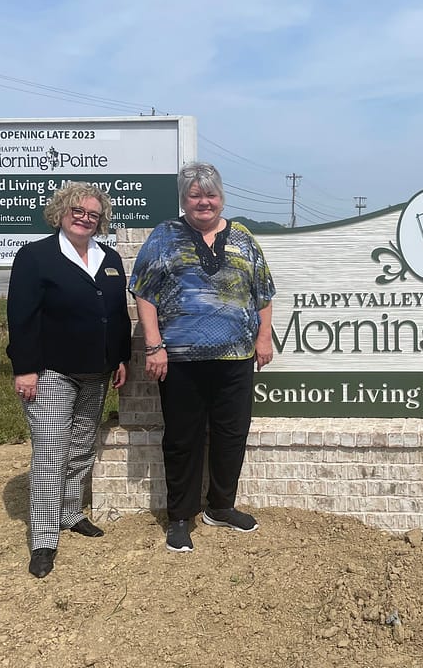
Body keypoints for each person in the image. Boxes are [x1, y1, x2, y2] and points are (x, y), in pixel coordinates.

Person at [129, 162, 275, 553]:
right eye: (195, 195)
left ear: (221, 197)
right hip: (180, 361)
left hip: (236, 359)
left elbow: (263, 293)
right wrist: (154, 345)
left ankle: (221, 507)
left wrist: (264, 338)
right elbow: (144, 292)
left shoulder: (243, 238)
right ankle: (180, 517)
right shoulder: (165, 237)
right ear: (184, 199)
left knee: (231, 435)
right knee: (182, 439)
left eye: (210, 194)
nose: (203, 202)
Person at [6, 182, 130, 579]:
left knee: (80, 446)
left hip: (97, 371)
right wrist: (24, 368)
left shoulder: (108, 258)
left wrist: (122, 357)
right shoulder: (36, 257)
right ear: (61, 211)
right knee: (50, 452)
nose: (85, 218)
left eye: (93, 214)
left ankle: (70, 512)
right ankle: (43, 538)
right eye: (78, 210)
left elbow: (117, 313)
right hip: (51, 372)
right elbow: (21, 316)